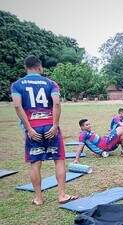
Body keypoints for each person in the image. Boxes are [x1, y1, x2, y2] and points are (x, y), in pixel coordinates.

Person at [11, 55, 77, 205]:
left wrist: (28, 128)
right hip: (50, 125)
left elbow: (17, 106)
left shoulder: (17, 84)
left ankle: (39, 198)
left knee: (35, 163)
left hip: (33, 128)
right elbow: (57, 103)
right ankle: (61, 195)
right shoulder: (51, 83)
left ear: (25, 68)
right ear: (40, 67)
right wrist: (55, 125)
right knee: (59, 160)